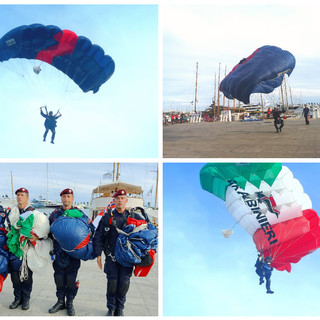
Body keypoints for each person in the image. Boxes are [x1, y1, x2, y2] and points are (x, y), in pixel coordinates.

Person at [93, 189, 144, 316]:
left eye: (122, 198)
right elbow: (98, 236)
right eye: (118, 198)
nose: (120, 200)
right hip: (112, 257)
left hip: (127, 258)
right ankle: (111, 308)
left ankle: (120, 309)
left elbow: (145, 235)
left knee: (124, 284)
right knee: (112, 283)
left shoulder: (133, 217)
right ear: (114, 201)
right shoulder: (107, 218)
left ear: (126, 201)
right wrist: (98, 254)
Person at [48, 188, 94, 316]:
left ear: (72, 199)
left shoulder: (79, 213)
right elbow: (47, 230)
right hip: (58, 252)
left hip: (74, 254)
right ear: (61, 198)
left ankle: (70, 303)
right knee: (59, 278)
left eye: (68, 196)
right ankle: (60, 301)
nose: (66, 199)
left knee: (70, 279)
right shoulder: (55, 214)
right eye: (64, 196)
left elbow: (90, 229)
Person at [6, 188, 38, 311]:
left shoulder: (33, 212)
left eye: (22, 195)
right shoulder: (11, 212)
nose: (20, 197)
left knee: (27, 276)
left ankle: (26, 299)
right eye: (18, 195)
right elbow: (7, 227)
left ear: (27, 197)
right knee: (14, 276)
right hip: (14, 248)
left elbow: (40, 228)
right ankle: (17, 298)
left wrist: (36, 237)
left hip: (27, 248)